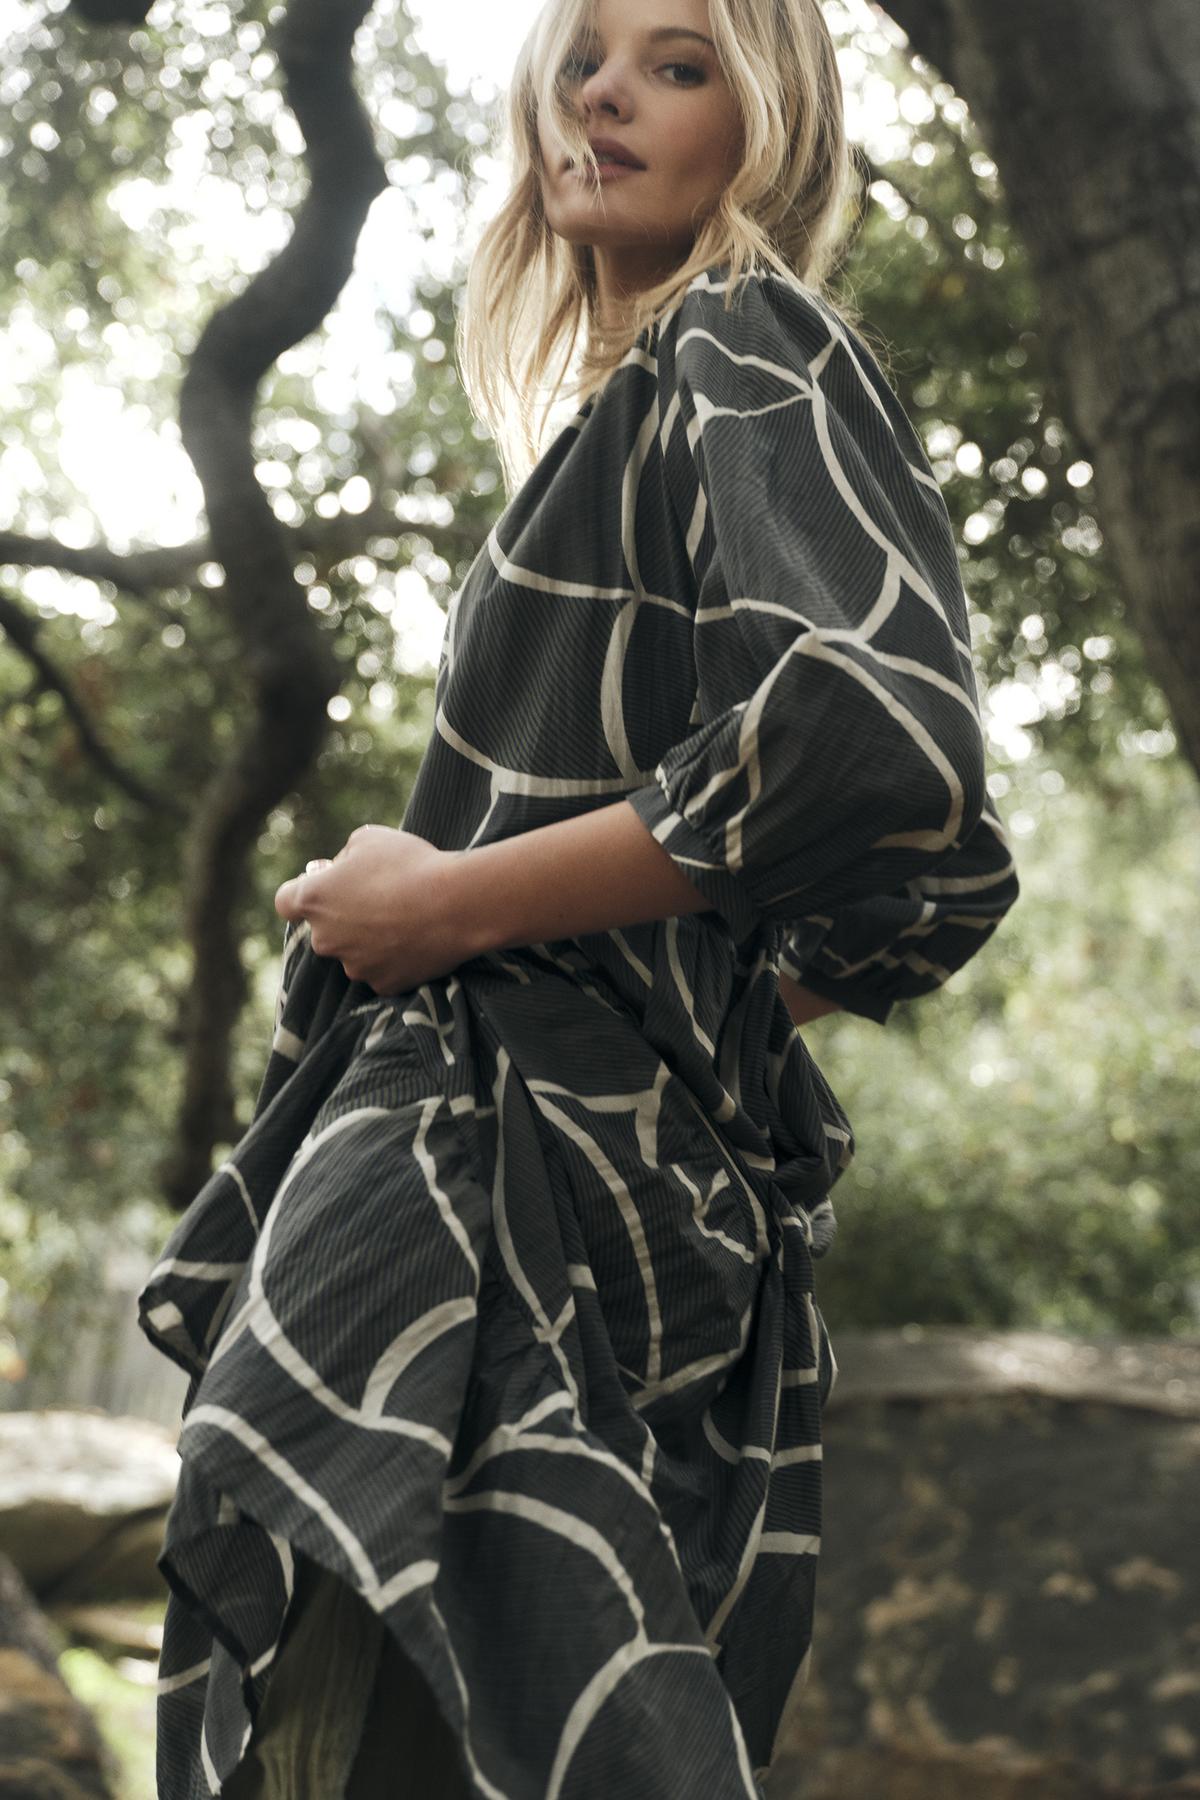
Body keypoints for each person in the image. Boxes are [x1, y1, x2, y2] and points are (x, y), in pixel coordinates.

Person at [138, 0, 1020, 1793]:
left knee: (388, 1735)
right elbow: (923, 893)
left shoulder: (742, 335)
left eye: (680, 62)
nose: (604, 90)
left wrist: (467, 906)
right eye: (586, 53)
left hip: (522, 1200)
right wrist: (685, 990)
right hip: (544, 1185)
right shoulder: (616, 420)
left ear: (767, 124)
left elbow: (874, 733)